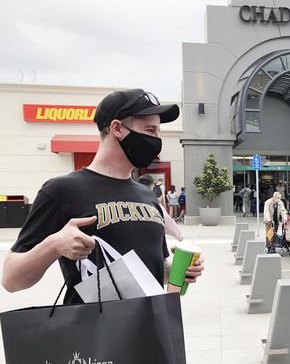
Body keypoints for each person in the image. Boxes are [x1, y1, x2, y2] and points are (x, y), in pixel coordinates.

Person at [1, 88, 204, 303]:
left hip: (147, 330)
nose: (156, 139)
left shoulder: (147, 196)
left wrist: (181, 269)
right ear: (117, 128)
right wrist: (54, 245)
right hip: (94, 332)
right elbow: (11, 279)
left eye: (158, 132)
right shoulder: (61, 190)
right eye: (150, 130)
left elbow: (155, 271)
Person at [137, 175, 183, 241]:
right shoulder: (156, 207)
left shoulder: (127, 204)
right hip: (152, 245)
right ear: (152, 186)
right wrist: (179, 236)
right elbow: (170, 225)